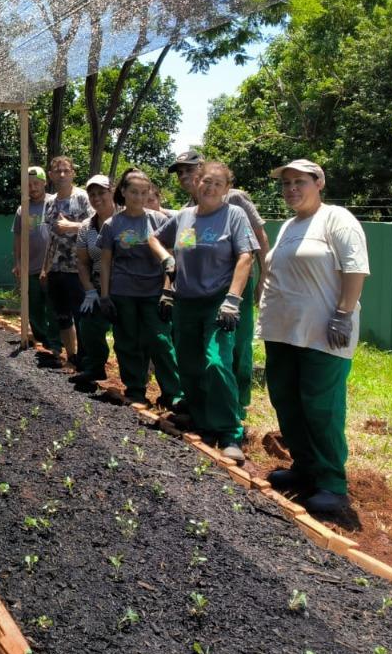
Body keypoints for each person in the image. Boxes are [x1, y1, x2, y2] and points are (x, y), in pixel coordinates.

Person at [259, 160, 369, 515]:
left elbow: (355, 267)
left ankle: (332, 484)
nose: (291, 188)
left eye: (299, 182)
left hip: (323, 334)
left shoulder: (336, 219)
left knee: (321, 408)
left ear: (318, 182)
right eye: (286, 183)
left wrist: (343, 313)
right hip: (283, 332)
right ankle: (304, 469)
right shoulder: (290, 225)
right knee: (288, 402)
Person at [151, 161, 258, 462]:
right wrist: (166, 262)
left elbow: (246, 257)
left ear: (226, 189)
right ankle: (202, 420)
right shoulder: (185, 218)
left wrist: (233, 299)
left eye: (218, 184)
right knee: (189, 363)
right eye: (206, 181)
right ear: (197, 183)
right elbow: (156, 239)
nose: (210, 188)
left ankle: (229, 432)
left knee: (216, 362)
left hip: (217, 301)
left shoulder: (233, 215)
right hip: (185, 301)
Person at [169, 149, 269, 408]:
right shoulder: (189, 211)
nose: (184, 176)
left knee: (238, 343)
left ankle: (238, 403)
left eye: (189, 169)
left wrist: (263, 279)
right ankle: (205, 401)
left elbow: (258, 237)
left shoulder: (235, 200)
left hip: (235, 285)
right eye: (180, 172)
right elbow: (189, 250)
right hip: (199, 293)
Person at [97, 169, 182, 408]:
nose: (139, 197)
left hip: (154, 293)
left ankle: (173, 394)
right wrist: (104, 296)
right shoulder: (112, 224)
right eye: (134, 192)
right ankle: (135, 389)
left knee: (161, 341)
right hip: (123, 292)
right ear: (123, 192)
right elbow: (105, 262)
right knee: (127, 342)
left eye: (144, 193)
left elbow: (172, 258)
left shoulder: (159, 221)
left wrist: (168, 290)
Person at [39, 157, 90, 368]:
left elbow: (97, 226)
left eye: (66, 171)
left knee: (82, 316)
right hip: (57, 269)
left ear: (73, 173)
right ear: (50, 175)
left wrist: (71, 226)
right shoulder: (49, 202)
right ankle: (72, 357)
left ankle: (87, 361)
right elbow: (50, 238)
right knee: (62, 316)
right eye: (57, 171)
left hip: (80, 268)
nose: (61, 174)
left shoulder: (83, 198)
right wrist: (45, 267)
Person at [11, 166, 59, 354]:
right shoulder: (23, 209)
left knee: (53, 306)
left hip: (53, 266)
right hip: (30, 267)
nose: (33, 187)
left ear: (44, 183)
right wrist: (17, 262)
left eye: (36, 183)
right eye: (29, 185)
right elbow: (17, 237)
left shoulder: (54, 203)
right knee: (34, 305)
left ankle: (56, 342)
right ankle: (41, 338)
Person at [72, 174, 115, 382]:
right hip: (98, 284)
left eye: (101, 193)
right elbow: (82, 262)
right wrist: (89, 289)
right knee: (88, 324)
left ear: (112, 192)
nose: (97, 198)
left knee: (129, 335)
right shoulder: (86, 227)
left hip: (127, 284)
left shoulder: (125, 220)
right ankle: (95, 367)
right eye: (92, 194)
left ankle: (137, 384)